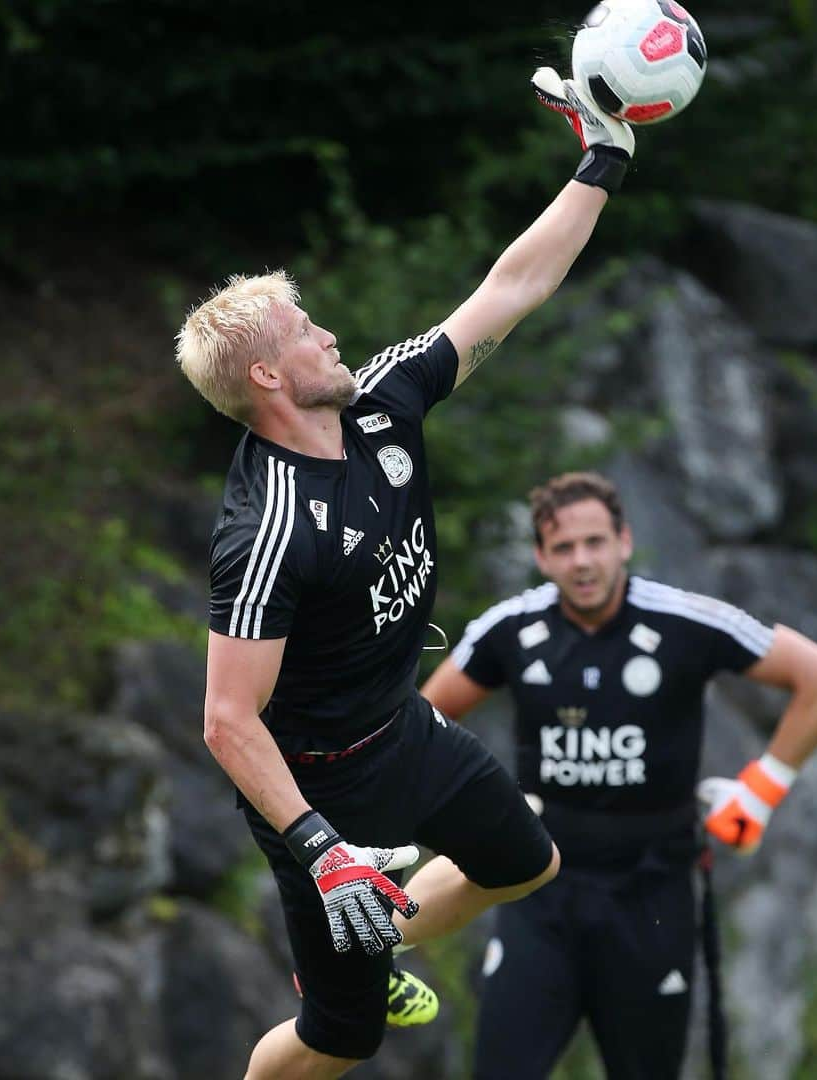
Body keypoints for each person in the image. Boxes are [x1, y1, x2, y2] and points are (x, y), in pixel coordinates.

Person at [174, 62, 638, 1080]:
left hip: (404, 729)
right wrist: (322, 850)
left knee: (524, 863)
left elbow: (508, 291)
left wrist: (601, 164)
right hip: (319, 791)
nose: (329, 332)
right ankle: (343, 965)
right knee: (342, 1041)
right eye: (303, 331)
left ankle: (377, 940)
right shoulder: (267, 531)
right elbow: (225, 720)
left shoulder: (381, 401)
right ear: (266, 377)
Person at [421, 471, 817, 1080]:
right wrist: (463, 821)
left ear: (624, 540)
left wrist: (760, 791)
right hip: (536, 888)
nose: (583, 561)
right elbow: (420, 725)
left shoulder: (688, 620)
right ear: (542, 558)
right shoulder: (510, 629)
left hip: (651, 891)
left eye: (595, 542)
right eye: (565, 548)